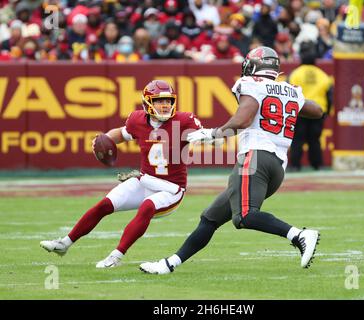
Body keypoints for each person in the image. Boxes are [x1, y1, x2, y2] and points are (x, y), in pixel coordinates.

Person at [139, 46, 323, 275]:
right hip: (276, 167)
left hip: (256, 157)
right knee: (210, 217)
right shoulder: (290, 90)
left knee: (245, 215)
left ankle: (298, 235)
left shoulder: (251, 83)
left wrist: (213, 133)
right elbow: (317, 110)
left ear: (253, 65)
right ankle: (169, 264)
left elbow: (243, 119)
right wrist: (290, 98)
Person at [40, 80, 203, 268]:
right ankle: (64, 244)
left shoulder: (184, 121)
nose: (165, 105)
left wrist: (205, 137)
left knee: (147, 207)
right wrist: (105, 139)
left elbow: (204, 136)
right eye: (159, 101)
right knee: (104, 205)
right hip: (145, 180)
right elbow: (121, 134)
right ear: (148, 102)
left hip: (171, 189)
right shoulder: (137, 120)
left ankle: (115, 257)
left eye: (168, 100)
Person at [289, 41, 333, 171]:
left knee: (297, 139)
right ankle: (317, 165)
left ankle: (295, 166)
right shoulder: (322, 74)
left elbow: (289, 94)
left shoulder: (295, 73)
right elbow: (329, 95)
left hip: (300, 111)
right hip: (318, 112)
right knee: (315, 140)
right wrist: (327, 112)